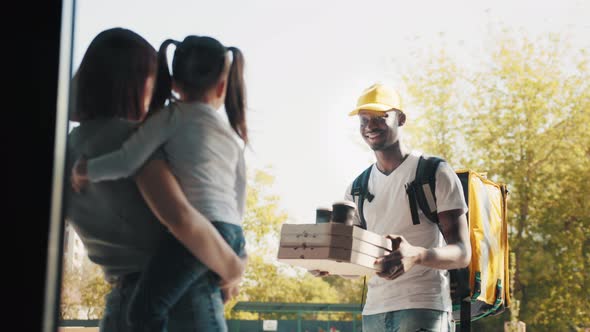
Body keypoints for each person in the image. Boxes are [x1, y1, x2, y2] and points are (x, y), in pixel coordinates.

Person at [65, 28, 245, 332]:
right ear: (138, 80)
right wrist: (233, 268)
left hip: (120, 302)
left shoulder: (68, 149)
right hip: (183, 303)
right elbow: (182, 217)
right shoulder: (136, 141)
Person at [312, 83, 471, 332]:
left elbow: (462, 254)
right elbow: (356, 268)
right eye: (364, 120)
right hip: (374, 313)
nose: (370, 126)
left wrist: (416, 255)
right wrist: (331, 265)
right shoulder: (357, 188)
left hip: (423, 308)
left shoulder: (433, 172)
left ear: (401, 118)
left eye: (380, 117)